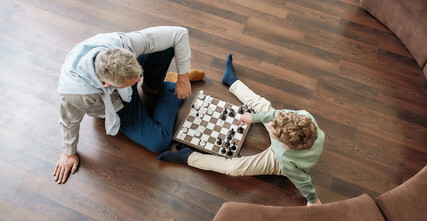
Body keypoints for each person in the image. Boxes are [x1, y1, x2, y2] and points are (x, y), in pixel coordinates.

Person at [158, 54, 325, 206]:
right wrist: (253, 118)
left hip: (279, 160)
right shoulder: (303, 116)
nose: (271, 126)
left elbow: (303, 182)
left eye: (273, 131)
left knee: (235, 168)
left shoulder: (286, 160)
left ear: (284, 144)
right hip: (289, 143)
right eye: (275, 123)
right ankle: (232, 81)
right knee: (264, 106)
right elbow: (275, 114)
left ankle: (189, 157)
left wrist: (313, 199)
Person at [54, 26, 204, 184]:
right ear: (107, 84)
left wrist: (183, 77)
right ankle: (169, 90)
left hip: (122, 74)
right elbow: (69, 122)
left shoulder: (124, 43)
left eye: (139, 74)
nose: (140, 78)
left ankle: (153, 87)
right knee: (159, 141)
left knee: (166, 45)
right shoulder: (76, 94)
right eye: (135, 80)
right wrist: (69, 153)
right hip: (113, 104)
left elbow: (179, 34)